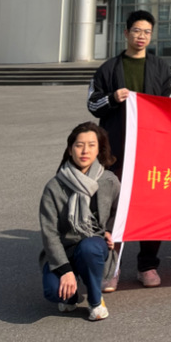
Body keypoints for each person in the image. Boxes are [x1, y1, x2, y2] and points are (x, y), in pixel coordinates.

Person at [86, 9, 171, 288]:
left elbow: (170, 106)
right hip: (116, 152)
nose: (141, 36)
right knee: (113, 208)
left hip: (151, 151)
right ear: (126, 33)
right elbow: (92, 103)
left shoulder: (161, 68)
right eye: (136, 31)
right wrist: (113, 98)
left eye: (147, 32)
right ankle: (112, 267)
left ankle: (147, 265)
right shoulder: (108, 68)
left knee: (151, 207)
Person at [39, 122, 120, 321]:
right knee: (54, 292)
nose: (85, 151)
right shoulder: (54, 186)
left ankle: (95, 301)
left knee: (89, 247)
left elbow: (120, 211)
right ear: (70, 149)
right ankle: (72, 297)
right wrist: (65, 270)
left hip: (94, 246)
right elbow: (49, 233)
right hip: (63, 249)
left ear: (99, 149)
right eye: (79, 145)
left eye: (92, 145)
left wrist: (111, 231)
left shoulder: (109, 181)